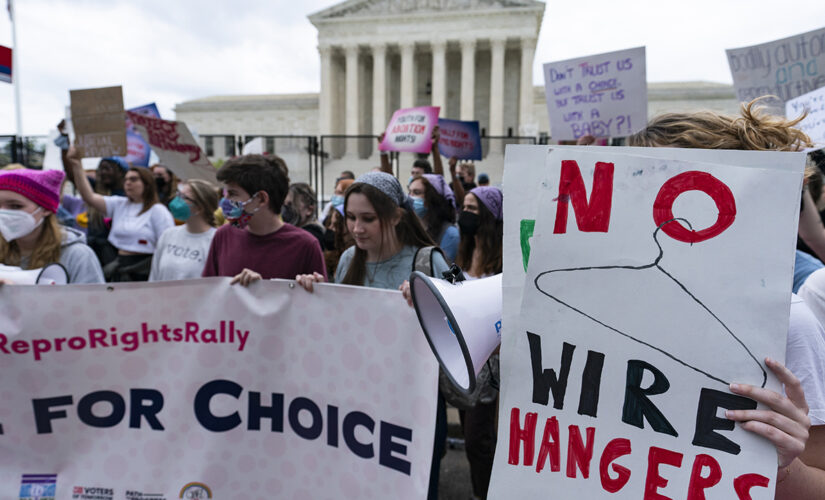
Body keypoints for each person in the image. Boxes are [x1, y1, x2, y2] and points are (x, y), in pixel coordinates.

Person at [628, 99, 825, 499]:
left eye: (672, 184)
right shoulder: (609, 300)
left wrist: (782, 465)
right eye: (636, 180)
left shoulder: (788, 321)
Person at [295, 172, 450, 499]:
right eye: (350, 217)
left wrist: (429, 304)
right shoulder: (350, 259)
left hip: (414, 406)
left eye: (368, 218)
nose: (356, 228)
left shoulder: (428, 259)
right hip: (359, 404)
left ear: (395, 215)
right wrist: (316, 297)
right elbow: (339, 331)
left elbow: (459, 333)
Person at [203, 154, 326, 286]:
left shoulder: (305, 245)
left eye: (232, 194)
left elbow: (320, 302)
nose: (226, 202)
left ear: (261, 199)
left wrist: (263, 289)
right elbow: (208, 294)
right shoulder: (224, 236)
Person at [453, 186, 503, 500]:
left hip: (492, 365)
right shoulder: (462, 253)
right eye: (464, 207)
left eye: (472, 209)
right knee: (475, 437)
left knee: (476, 441)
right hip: (462, 360)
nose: (464, 214)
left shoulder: (503, 262)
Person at [66, 147, 174, 282]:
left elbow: (168, 247)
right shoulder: (120, 204)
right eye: (126, 179)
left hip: (145, 271)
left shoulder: (158, 211)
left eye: (134, 179)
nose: (128, 183)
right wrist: (76, 164)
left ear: (147, 184)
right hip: (119, 267)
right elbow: (89, 197)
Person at [0, 168, 103, 284]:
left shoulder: (77, 255)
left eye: (15, 206)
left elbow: (94, 300)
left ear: (45, 209)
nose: (3, 213)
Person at [149, 179, 219, 281]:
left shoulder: (216, 240)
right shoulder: (169, 234)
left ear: (200, 207)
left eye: (183, 197)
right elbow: (154, 276)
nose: (177, 200)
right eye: (178, 194)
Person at [409, 173, 459, 262]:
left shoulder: (450, 235)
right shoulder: (412, 228)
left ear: (432, 197)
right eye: (410, 192)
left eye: (416, 192)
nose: (410, 197)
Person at [283, 182, 325, 250]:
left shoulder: (311, 237)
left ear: (309, 210)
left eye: (291, 205)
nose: (285, 209)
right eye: (285, 205)